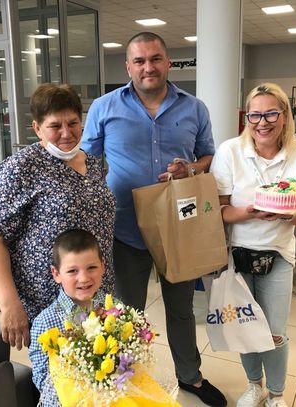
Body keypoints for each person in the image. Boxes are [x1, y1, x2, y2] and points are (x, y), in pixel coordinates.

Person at [81, 32, 227, 407]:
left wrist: (189, 168)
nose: (149, 67)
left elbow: (208, 157)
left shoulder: (194, 108)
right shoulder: (104, 107)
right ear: (128, 67)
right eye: (140, 60)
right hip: (124, 229)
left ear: (168, 62)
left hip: (178, 229)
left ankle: (190, 376)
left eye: (156, 58)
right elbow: (86, 162)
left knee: (181, 310)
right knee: (125, 314)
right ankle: (122, 381)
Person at [0, 83, 116, 351]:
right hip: (48, 301)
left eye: (73, 123)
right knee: (58, 373)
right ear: (37, 128)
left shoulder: (92, 163)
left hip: (94, 291)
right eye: (55, 126)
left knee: (99, 364)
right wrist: (9, 303)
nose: (66, 133)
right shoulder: (21, 168)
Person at [210, 83, 296, 407]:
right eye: (255, 115)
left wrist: (288, 214)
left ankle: (276, 393)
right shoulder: (230, 151)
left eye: (271, 113)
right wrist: (250, 212)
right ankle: (254, 385)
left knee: (274, 331)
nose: (262, 122)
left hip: (279, 253)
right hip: (239, 253)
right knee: (246, 326)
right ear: (247, 117)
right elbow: (219, 211)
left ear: (285, 115)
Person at [29, 228, 106, 406]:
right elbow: (42, 380)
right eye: (72, 271)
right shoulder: (45, 323)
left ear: (103, 266)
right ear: (56, 274)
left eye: (91, 268)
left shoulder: (112, 307)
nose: (84, 278)